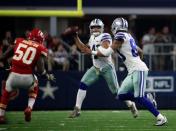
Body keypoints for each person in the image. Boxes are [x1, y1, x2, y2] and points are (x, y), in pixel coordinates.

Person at [68, 19, 138, 118]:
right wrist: (76, 37)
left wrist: (91, 51)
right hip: (95, 67)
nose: (95, 29)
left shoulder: (106, 36)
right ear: (90, 29)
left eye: (98, 27)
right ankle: (77, 109)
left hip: (107, 68)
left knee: (116, 91)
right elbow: (84, 49)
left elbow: (105, 52)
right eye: (93, 27)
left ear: (102, 28)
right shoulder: (92, 37)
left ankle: (131, 104)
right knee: (83, 84)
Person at [109, 17, 167, 126]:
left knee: (139, 97)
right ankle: (148, 97)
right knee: (121, 95)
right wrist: (136, 61)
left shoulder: (120, 36)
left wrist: (95, 52)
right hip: (133, 70)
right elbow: (140, 51)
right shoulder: (128, 36)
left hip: (138, 69)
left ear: (115, 27)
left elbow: (109, 51)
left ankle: (160, 117)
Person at [0, 28, 55, 124]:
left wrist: (8, 67)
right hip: (27, 78)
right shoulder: (40, 48)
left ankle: (1, 115)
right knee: (35, 84)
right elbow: (41, 70)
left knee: (6, 91)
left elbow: (3, 57)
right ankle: (29, 108)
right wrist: (47, 76)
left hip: (13, 76)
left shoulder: (19, 41)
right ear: (40, 39)